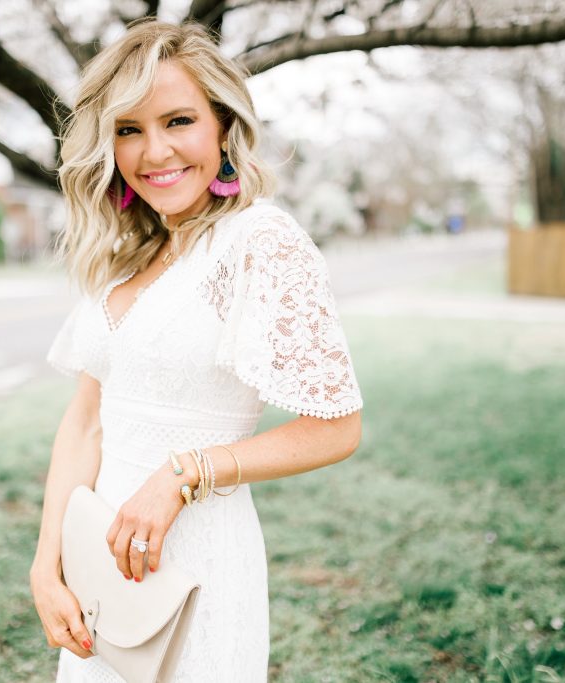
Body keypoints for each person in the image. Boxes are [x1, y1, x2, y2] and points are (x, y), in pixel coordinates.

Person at [30, 19, 364, 682]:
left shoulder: (260, 242)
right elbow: (86, 420)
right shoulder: (127, 256)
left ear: (221, 126)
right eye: (128, 128)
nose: (154, 151)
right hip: (101, 569)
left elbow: (338, 426)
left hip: (201, 565)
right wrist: (47, 565)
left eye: (178, 120)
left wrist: (183, 475)